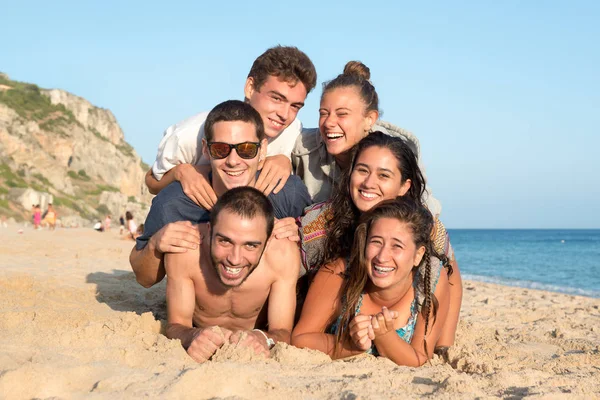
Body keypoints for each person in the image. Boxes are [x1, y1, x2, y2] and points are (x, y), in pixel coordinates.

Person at [298, 132, 462, 350]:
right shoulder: (321, 224)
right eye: (362, 170)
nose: (369, 183)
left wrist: (443, 345)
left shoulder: (424, 227)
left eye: (384, 176)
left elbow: (450, 278)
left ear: (404, 187)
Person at [130, 100, 311, 288]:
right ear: (206, 150)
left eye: (246, 149)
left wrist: (301, 232)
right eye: (221, 150)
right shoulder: (172, 203)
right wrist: (155, 245)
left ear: (262, 150)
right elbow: (145, 278)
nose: (233, 161)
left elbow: (322, 255)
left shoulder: (287, 192)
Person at [146, 45, 317, 209]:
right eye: (277, 99)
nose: (285, 114)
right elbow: (152, 182)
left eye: (295, 106)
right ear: (250, 88)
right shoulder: (190, 135)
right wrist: (180, 172)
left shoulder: (291, 131)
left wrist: (284, 159)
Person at [292, 197, 450, 366]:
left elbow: (419, 358)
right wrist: (349, 346)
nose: (382, 257)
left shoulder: (430, 278)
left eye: (396, 246)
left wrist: (384, 336)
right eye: (376, 242)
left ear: (418, 255)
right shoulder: (339, 273)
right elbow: (300, 339)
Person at [165, 186, 300, 362]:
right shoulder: (186, 251)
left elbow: (282, 332)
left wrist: (262, 338)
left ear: (267, 242)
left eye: (250, 245)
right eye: (225, 241)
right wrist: (193, 335)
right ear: (209, 231)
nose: (235, 259)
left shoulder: (283, 254)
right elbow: (175, 326)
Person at [292, 61, 440, 216]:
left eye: (342, 114)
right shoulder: (302, 147)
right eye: (323, 113)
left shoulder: (396, 152)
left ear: (370, 119)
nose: (329, 122)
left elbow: (427, 210)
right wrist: (280, 157)